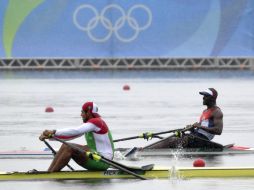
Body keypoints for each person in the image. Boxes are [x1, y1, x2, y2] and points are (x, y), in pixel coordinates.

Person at [39, 102, 114, 172]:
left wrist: (54, 131)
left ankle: (51, 175)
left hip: (103, 161)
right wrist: (50, 136)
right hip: (95, 157)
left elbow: (76, 131)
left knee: (68, 147)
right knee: (65, 145)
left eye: (82, 112)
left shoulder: (96, 122)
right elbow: (72, 135)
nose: (81, 115)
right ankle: (49, 172)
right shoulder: (90, 125)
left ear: (88, 112)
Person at [145, 88, 223, 149]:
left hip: (203, 140)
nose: (203, 98)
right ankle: (147, 150)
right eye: (203, 96)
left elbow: (218, 131)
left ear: (212, 98)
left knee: (172, 140)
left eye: (205, 96)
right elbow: (203, 129)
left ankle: (145, 152)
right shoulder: (205, 111)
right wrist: (192, 129)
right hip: (196, 137)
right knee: (174, 137)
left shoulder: (217, 112)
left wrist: (199, 126)